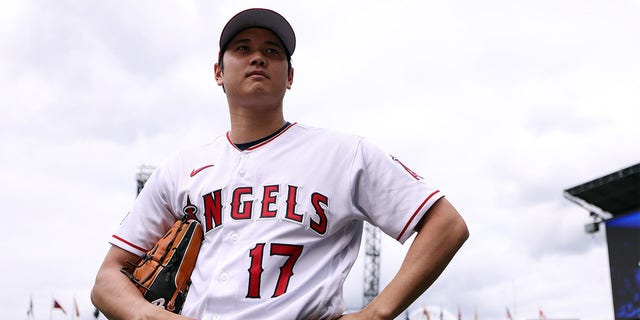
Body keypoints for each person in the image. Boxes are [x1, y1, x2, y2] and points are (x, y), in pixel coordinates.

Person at [90, 8, 469, 320]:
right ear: (218, 72)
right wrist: (146, 315)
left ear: (289, 76)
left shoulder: (343, 153)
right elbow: (108, 278)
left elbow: (446, 225)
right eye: (243, 48)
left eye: (273, 51)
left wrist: (377, 312)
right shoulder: (180, 168)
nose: (258, 56)